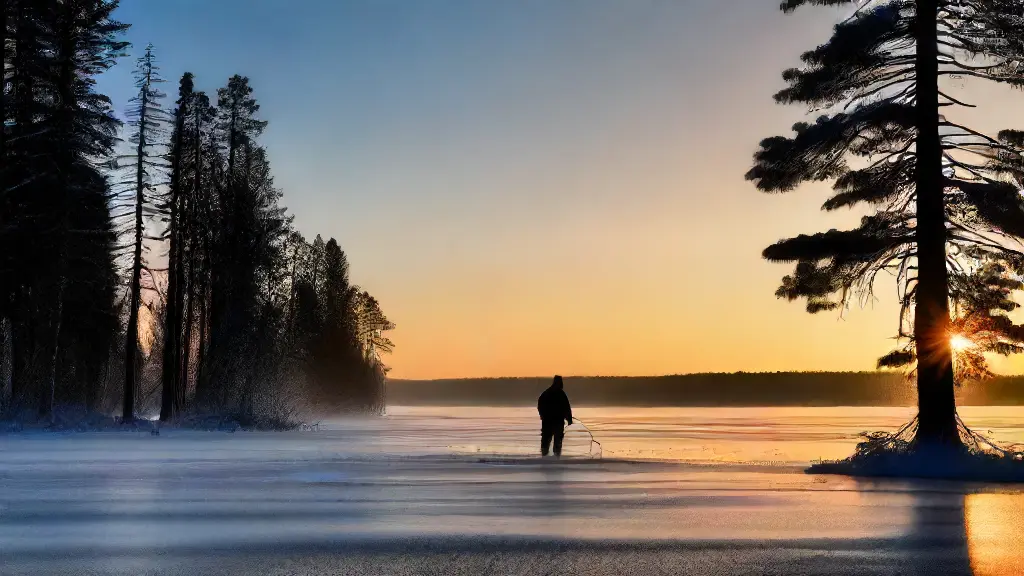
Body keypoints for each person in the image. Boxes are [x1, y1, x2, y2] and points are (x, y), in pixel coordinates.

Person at [537, 375, 573, 457]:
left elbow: (540, 405)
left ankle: (547, 457)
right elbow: (566, 407)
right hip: (554, 421)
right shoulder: (560, 394)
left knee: (548, 440)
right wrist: (569, 419)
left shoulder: (546, 393)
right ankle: (554, 457)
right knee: (554, 440)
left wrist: (542, 415)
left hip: (549, 421)